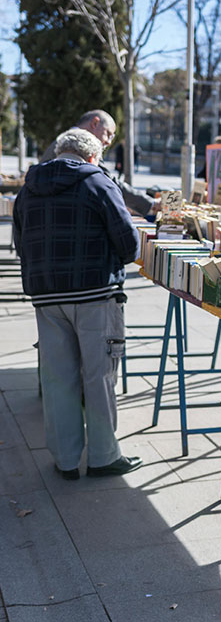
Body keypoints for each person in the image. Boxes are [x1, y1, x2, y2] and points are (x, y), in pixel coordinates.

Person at [13, 128, 142, 479]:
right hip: (94, 293)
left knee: (58, 378)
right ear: (91, 156)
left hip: (46, 295)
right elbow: (129, 245)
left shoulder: (29, 189)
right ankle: (103, 456)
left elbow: (20, 241)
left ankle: (65, 460)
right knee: (98, 375)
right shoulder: (97, 183)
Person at [40, 110, 156, 217]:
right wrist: (150, 204)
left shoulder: (65, 141)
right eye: (108, 134)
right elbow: (108, 182)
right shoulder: (79, 147)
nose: (109, 142)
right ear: (95, 123)